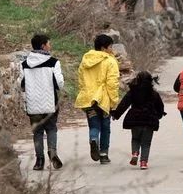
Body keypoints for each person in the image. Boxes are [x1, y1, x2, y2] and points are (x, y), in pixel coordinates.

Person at [20, 33, 65, 171]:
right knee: (51, 128)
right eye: (48, 44)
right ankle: (52, 152)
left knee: (37, 132)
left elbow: (20, 84)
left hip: (33, 104)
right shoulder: (53, 62)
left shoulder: (24, 64)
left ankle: (39, 161)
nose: (50, 46)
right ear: (43, 46)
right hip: (50, 102)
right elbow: (60, 83)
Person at [75, 34, 120, 164]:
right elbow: (112, 83)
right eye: (110, 46)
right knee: (105, 126)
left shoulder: (85, 59)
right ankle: (104, 154)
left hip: (88, 98)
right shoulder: (110, 61)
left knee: (94, 124)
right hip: (103, 99)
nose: (112, 49)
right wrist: (114, 101)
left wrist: (84, 92)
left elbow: (81, 80)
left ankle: (93, 138)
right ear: (103, 48)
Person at [112, 71, 166, 170]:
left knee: (135, 139)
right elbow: (160, 107)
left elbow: (124, 104)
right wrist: (158, 116)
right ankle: (143, 162)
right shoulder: (154, 93)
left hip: (135, 120)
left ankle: (135, 153)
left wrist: (116, 114)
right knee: (146, 143)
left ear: (137, 79)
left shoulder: (133, 92)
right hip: (149, 120)